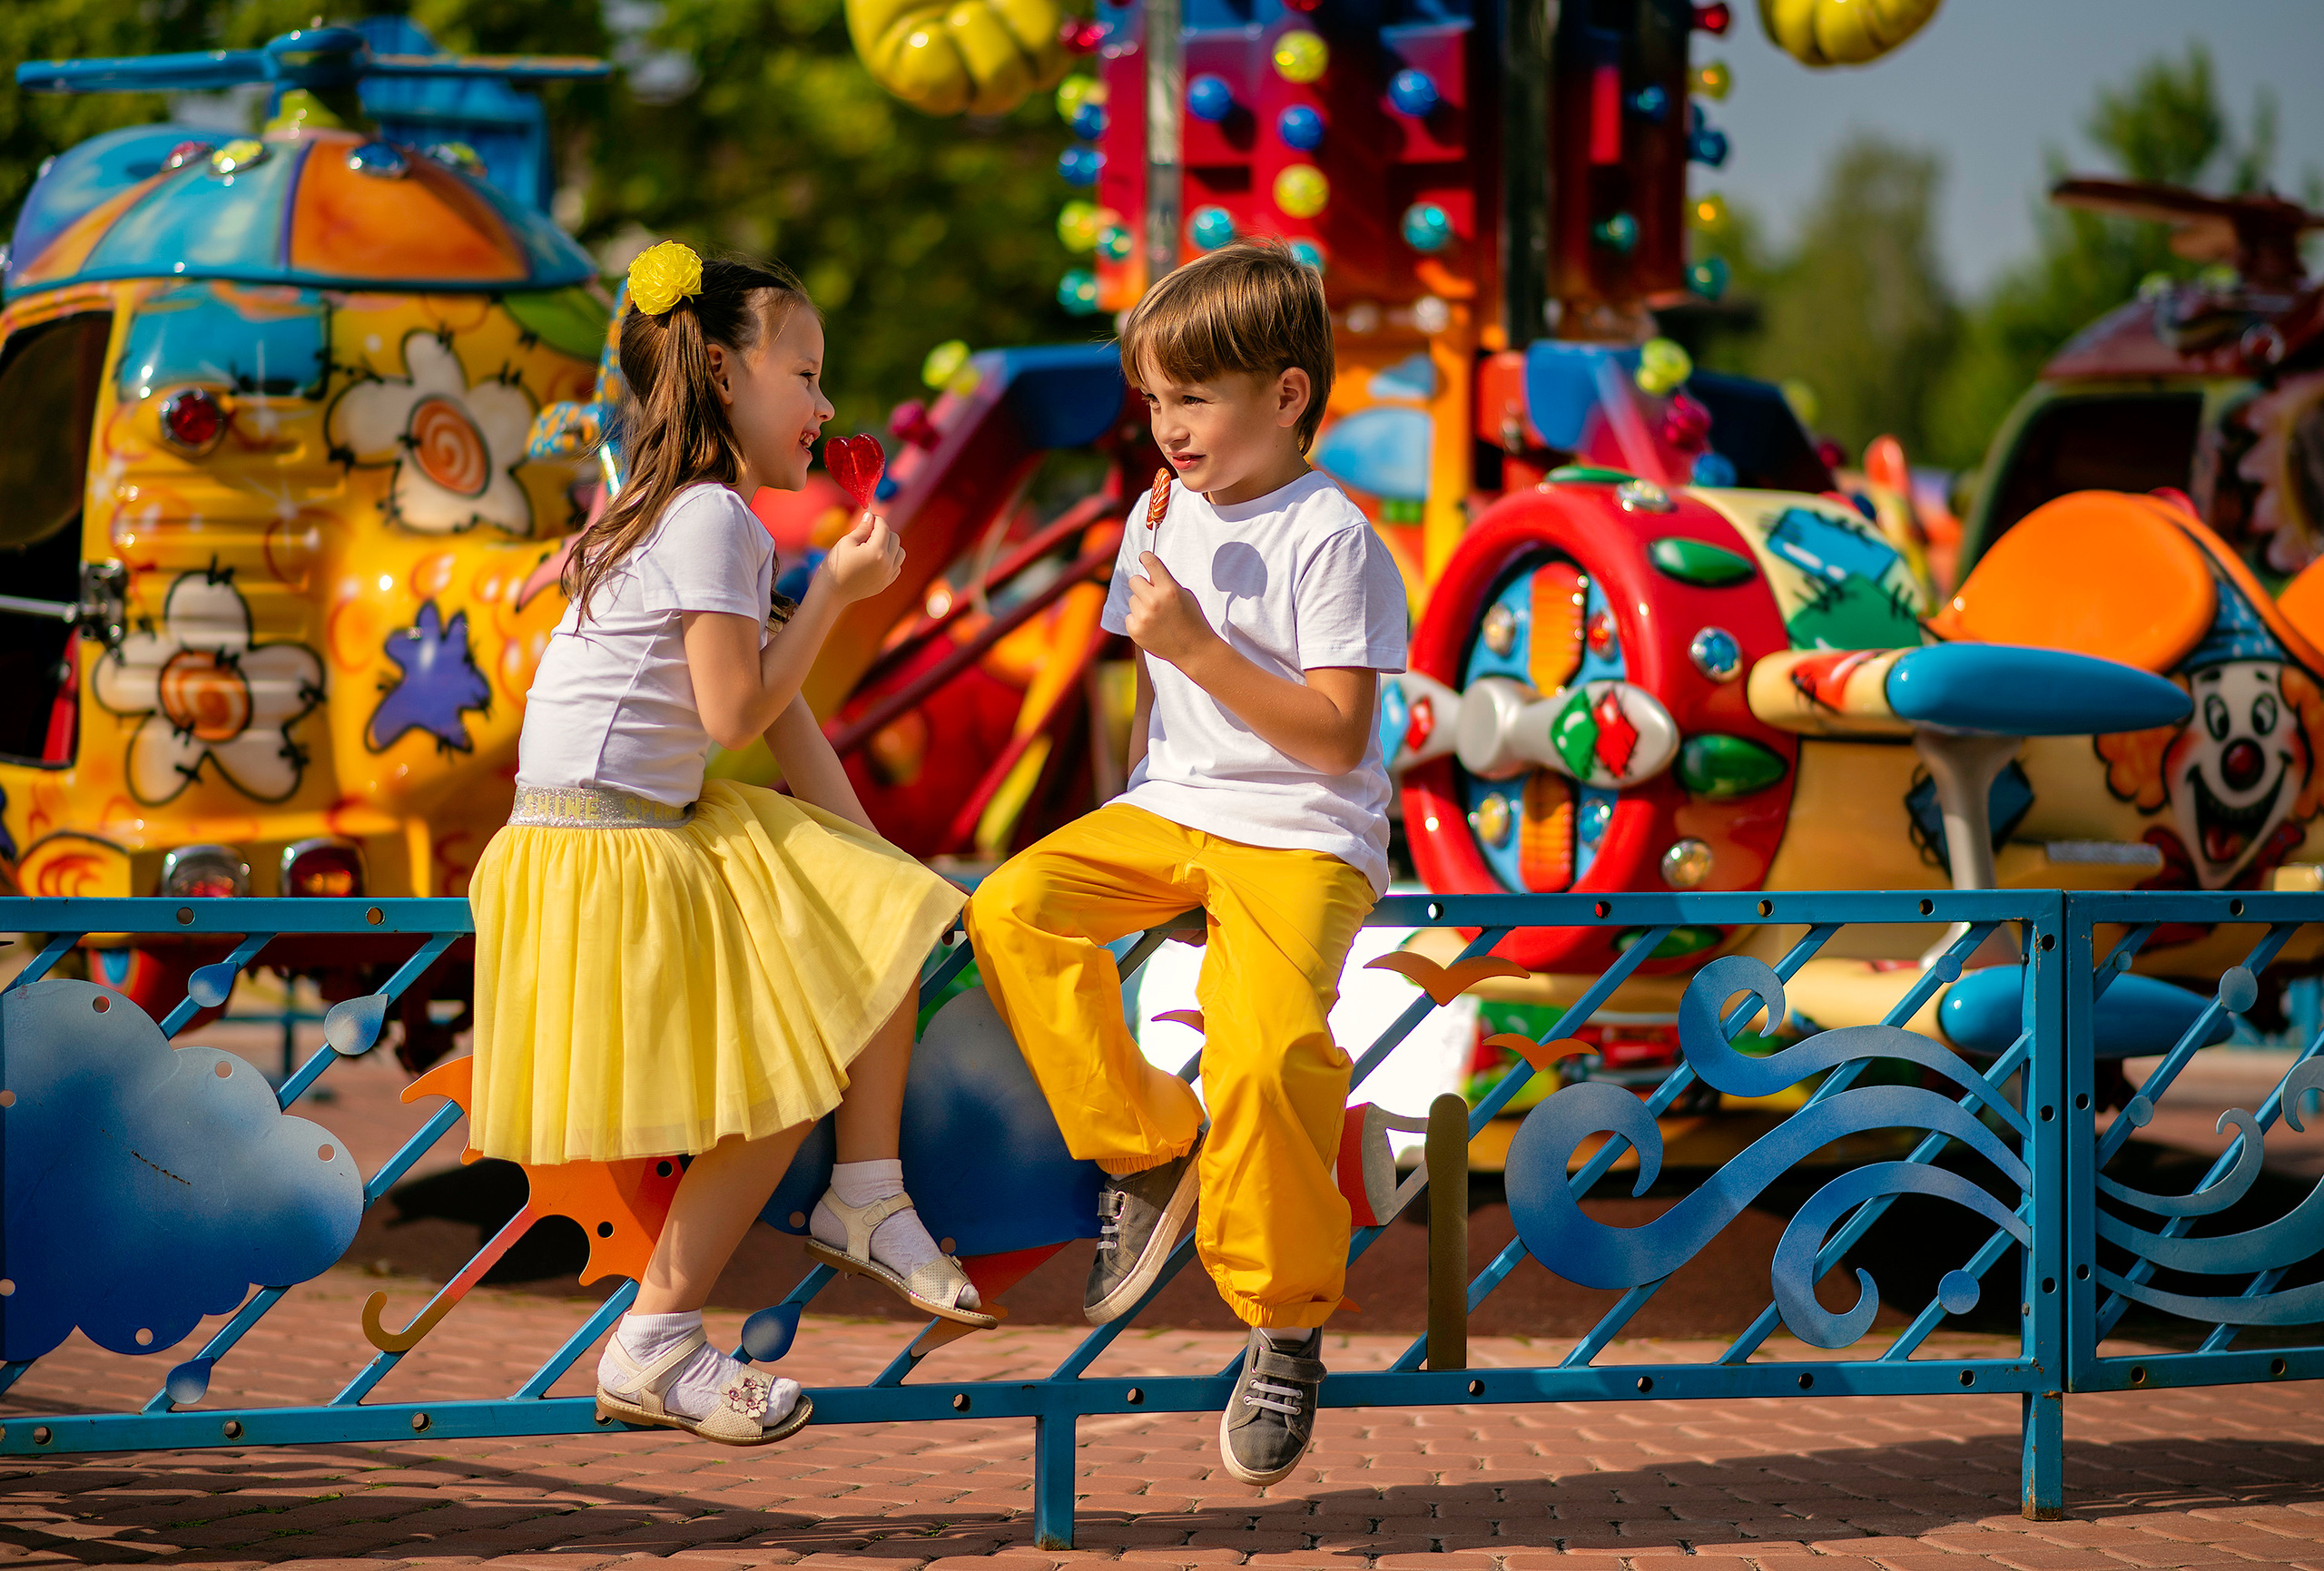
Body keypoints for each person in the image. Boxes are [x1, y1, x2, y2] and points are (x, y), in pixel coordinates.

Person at [468, 241, 987, 1448]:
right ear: (718, 371)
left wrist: (889, 885)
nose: (823, 406)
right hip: (614, 859)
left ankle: (867, 1193)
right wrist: (840, 599)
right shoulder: (716, 519)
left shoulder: (663, 514)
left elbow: (782, 720)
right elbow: (736, 715)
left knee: (875, 925)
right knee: (782, 1071)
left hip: (596, 838)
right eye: (802, 373)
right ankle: (657, 1336)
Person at [966, 239, 1408, 1487]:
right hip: (1171, 811)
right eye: (1156, 399)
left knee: (1268, 1056)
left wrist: (1203, 649)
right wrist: (1132, 823)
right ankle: (1152, 1146)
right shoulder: (1153, 516)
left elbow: (1336, 736)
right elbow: (1147, 709)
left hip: (1302, 832)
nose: (1170, 426)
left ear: (1285, 393)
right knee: (1013, 906)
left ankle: (1282, 1323)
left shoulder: (1333, 536)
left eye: (1195, 397)